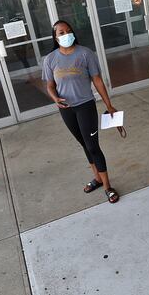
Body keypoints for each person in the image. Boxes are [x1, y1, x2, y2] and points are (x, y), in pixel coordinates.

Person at [42, 20, 120, 204]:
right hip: (66, 110)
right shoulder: (50, 59)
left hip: (85, 106)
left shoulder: (85, 53)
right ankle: (98, 179)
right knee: (84, 144)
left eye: (68, 31)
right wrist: (54, 98)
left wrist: (109, 105)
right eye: (61, 32)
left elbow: (97, 80)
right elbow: (50, 85)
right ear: (55, 37)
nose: (66, 34)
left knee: (93, 146)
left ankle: (108, 187)